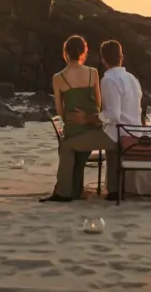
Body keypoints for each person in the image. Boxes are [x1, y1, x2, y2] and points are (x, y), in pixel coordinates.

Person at [40, 35, 113, 203]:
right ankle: (75, 189)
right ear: (84, 52)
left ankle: (65, 191)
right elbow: (98, 104)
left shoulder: (58, 77)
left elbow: (60, 111)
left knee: (67, 144)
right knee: (78, 151)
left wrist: (70, 119)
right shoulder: (93, 73)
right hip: (92, 126)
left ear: (65, 52)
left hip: (73, 127)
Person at [95, 39, 143, 197]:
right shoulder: (132, 78)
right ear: (121, 57)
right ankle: (115, 187)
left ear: (103, 59)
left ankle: (112, 189)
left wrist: (95, 117)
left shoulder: (108, 80)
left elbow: (113, 115)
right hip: (136, 132)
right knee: (108, 136)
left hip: (121, 136)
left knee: (79, 142)